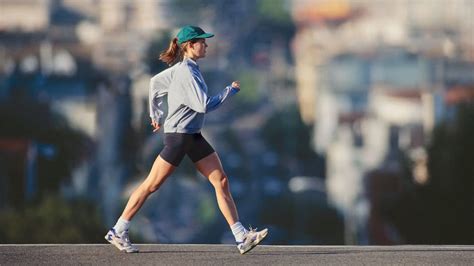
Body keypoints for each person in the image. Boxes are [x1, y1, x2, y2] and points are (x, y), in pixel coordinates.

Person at [105, 25, 268, 254]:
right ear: (190, 45)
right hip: (179, 138)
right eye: (202, 41)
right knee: (151, 185)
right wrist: (229, 91)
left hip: (192, 136)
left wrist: (155, 115)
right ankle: (118, 230)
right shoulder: (186, 73)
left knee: (220, 181)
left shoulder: (184, 69)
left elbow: (154, 83)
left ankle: (241, 237)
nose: (206, 45)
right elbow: (203, 105)